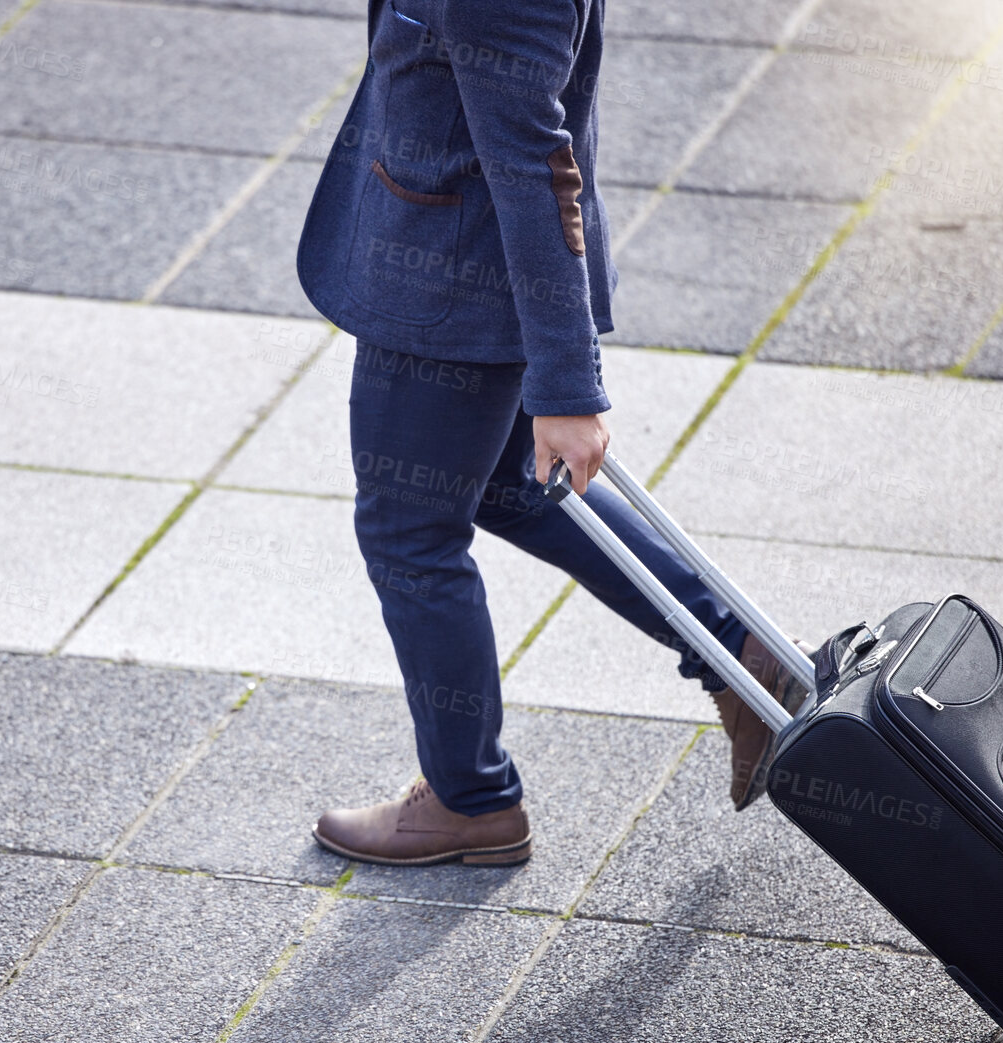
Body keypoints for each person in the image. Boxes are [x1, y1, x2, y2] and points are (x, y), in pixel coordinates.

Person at [295, 0, 801, 866]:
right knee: (507, 490)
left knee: (409, 533)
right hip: (458, 256)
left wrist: (565, 385)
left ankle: (469, 800)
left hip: (451, 284)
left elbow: (535, 162)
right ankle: (734, 647)